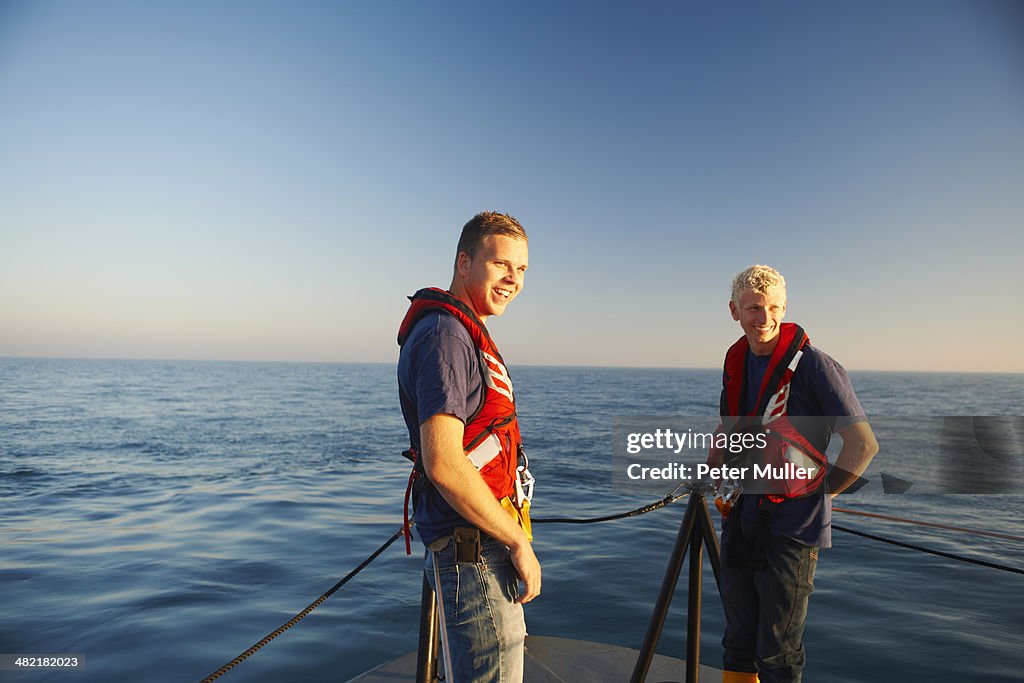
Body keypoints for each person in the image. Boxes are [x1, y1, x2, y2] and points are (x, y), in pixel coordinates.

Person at [714, 265, 878, 683]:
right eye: (753, 308)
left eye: (774, 308)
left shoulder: (816, 367)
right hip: (739, 517)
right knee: (737, 640)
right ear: (735, 310)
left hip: (791, 530)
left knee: (778, 653)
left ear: (785, 308)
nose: (764, 318)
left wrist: (820, 495)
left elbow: (863, 445)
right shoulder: (735, 362)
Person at [397, 211, 540, 683]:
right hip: (475, 553)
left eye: (520, 270)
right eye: (501, 265)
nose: (512, 280)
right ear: (464, 262)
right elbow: (444, 461)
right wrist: (518, 541)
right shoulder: (446, 337)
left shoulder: (456, 331)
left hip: (470, 543)